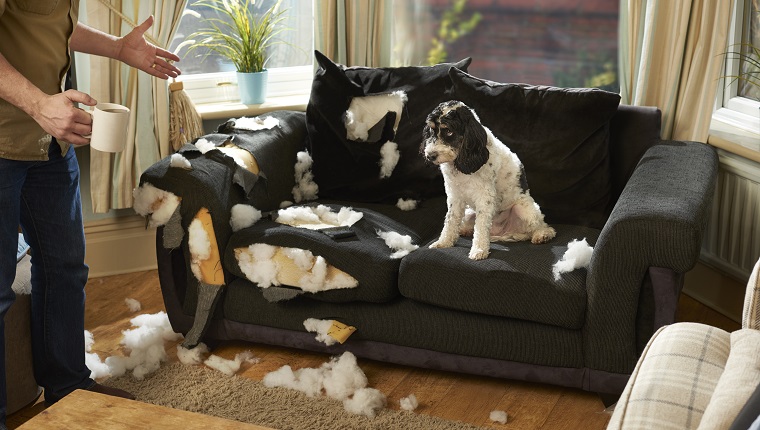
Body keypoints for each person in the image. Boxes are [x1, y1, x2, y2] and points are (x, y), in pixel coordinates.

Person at [0, 1, 181, 427]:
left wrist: (118, 48)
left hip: (48, 141)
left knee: (66, 269)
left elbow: (45, 20)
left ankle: (67, 388)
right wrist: (39, 104)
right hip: (5, 139)